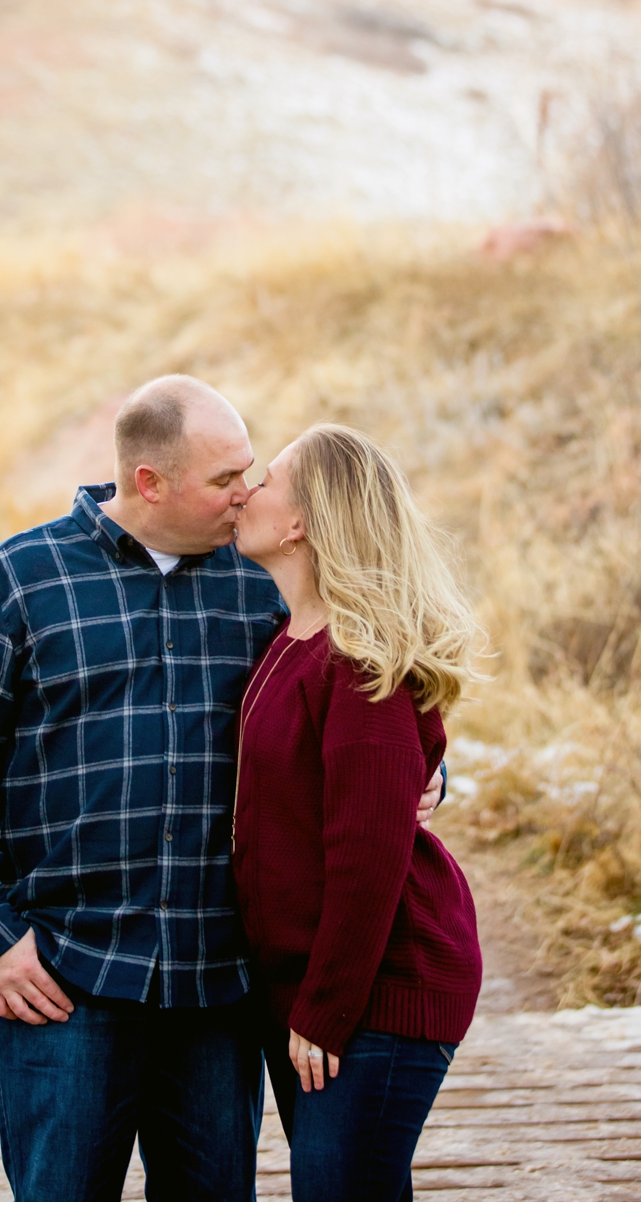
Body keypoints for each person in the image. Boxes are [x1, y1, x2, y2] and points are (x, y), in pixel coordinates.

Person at [0, 375, 443, 1201]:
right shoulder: (16, 581)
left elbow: (368, 694)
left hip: (220, 987)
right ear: (149, 482)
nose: (246, 495)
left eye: (252, 473)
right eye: (225, 481)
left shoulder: (266, 580)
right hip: (68, 978)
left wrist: (432, 769)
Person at [229, 422, 486, 1202]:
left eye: (266, 480)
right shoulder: (291, 638)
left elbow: (367, 854)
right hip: (318, 991)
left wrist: (327, 1011)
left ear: (303, 520)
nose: (245, 491)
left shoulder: (357, 661)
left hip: (380, 990)